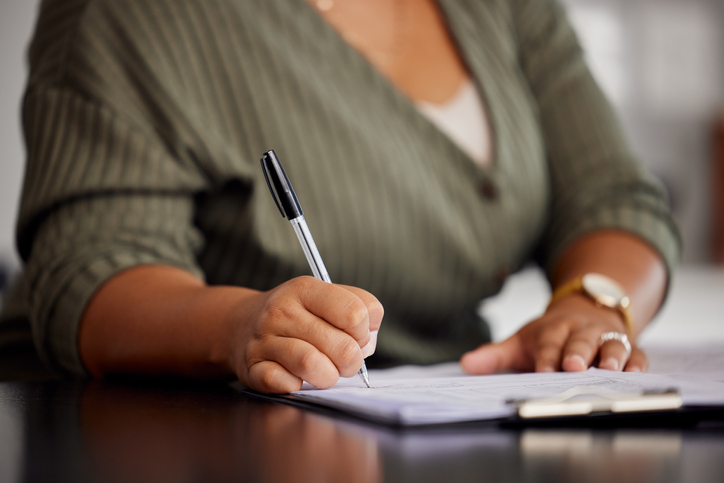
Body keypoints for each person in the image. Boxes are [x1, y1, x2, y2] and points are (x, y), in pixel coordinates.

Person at [0, 0, 679, 393]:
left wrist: (592, 304)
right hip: (194, 433)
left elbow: (614, 194)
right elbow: (89, 269)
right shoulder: (132, 16)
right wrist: (240, 327)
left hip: (447, 418)